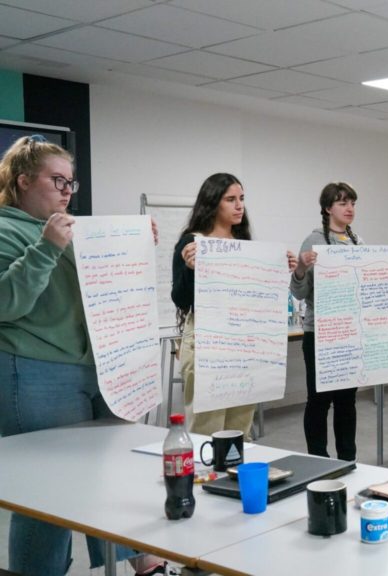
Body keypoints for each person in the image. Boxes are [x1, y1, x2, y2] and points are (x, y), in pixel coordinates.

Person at [0, 135, 162, 575]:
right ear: (22, 181)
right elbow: (7, 302)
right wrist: (46, 247)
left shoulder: (72, 228)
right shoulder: (5, 229)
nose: (68, 191)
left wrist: (132, 244)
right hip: (35, 371)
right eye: (58, 181)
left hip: (96, 369)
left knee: (108, 476)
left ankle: (140, 561)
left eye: (72, 182)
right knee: (45, 495)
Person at [290, 182, 388, 461]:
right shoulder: (314, 240)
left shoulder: (359, 243)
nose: (349, 208)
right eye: (342, 203)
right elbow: (299, 291)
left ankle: (347, 459)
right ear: (328, 208)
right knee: (319, 401)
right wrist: (301, 267)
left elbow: (368, 288)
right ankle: (317, 458)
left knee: (347, 401)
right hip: (319, 334)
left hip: (350, 335)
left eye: (352, 203)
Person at [172, 173, 296, 438]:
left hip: (242, 342)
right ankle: (203, 479)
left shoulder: (244, 246)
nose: (239, 206)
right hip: (207, 340)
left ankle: (234, 477)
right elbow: (180, 299)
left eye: (241, 198)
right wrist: (191, 269)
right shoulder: (191, 242)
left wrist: (278, 268)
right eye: (230, 199)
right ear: (213, 203)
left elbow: (253, 296)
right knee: (207, 426)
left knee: (240, 428)